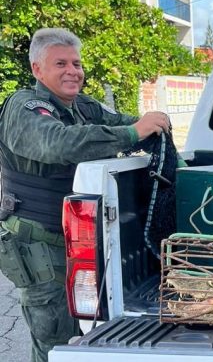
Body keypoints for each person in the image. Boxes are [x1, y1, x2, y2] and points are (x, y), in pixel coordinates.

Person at [0, 28, 171, 362]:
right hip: (37, 246)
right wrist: (133, 131)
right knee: (56, 343)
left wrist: (149, 125)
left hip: (78, 242)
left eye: (76, 63)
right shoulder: (23, 107)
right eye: (60, 63)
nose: (72, 71)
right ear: (37, 69)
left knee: (87, 336)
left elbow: (122, 123)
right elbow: (59, 143)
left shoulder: (83, 106)